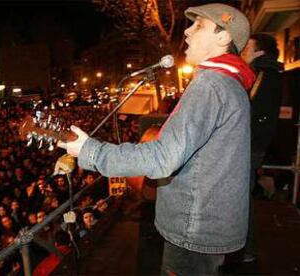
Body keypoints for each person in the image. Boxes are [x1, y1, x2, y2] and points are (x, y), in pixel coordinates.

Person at [58, 3, 255, 275]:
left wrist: (91, 152)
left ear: (223, 36)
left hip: (194, 227)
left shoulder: (211, 84)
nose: (186, 32)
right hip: (210, 223)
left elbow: (163, 158)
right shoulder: (230, 84)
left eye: (198, 26)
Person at [240, 33, 282, 262]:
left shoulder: (263, 75)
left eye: (248, 46)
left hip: (247, 148)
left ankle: (247, 249)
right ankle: (245, 248)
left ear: (259, 51)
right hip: (250, 147)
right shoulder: (261, 74)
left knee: (240, 198)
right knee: (240, 196)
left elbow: (256, 115)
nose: (244, 50)